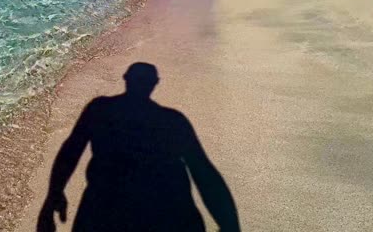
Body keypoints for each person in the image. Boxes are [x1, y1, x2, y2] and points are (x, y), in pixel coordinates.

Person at [37, 62, 240, 232]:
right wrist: (229, 224)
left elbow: (71, 151)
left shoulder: (100, 109)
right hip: (166, 214)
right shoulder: (173, 121)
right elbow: (204, 173)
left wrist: (53, 195)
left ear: (126, 78)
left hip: (104, 211)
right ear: (155, 84)